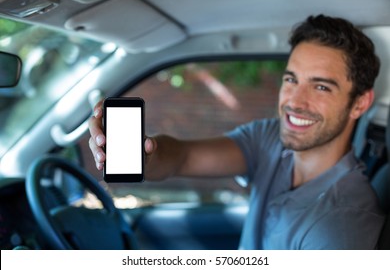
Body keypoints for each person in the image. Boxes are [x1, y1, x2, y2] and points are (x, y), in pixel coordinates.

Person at [88, 14, 385, 249]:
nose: (294, 101)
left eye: (320, 86)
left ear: (360, 103)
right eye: (291, 80)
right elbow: (181, 157)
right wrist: (144, 154)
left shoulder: (342, 227)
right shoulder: (271, 138)